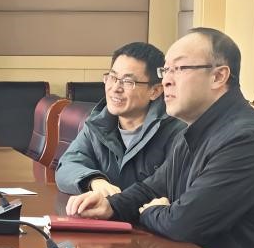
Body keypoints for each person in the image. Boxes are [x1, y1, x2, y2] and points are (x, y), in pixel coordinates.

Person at [65, 27, 254, 248]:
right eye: (165, 70)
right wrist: (110, 206)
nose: (167, 81)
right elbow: (152, 188)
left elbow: (182, 224)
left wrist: (150, 212)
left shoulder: (245, 138)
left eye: (178, 69)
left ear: (218, 76)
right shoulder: (195, 129)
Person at [55, 41, 184, 195]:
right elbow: (67, 165)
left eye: (128, 82)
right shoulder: (98, 124)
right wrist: (94, 181)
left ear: (155, 91)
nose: (116, 88)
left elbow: (175, 190)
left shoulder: (177, 132)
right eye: (112, 77)